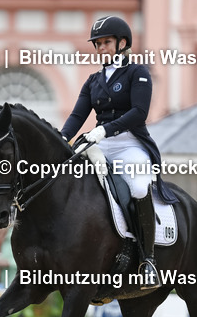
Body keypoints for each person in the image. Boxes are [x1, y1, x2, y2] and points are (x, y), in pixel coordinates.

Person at [60, 15, 176, 285]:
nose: (101, 48)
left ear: (122, 43)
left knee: (137, 187)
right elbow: (77, 116)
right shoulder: (92, 81)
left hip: (129, 143)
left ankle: (148, 259)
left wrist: (104, 129)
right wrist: (60, 137)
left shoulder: (138, 73)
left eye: (106, 42)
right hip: (99, 144)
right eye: (97, 44)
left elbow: (139, 113)